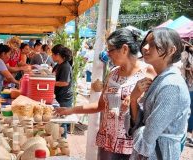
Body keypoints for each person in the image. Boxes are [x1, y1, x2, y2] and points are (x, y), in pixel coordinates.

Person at [55, 28, 156, 159]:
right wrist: (70, 110)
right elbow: (100, 106)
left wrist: (133, 98)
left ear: (124, 49)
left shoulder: (147, 72)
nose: (108, 54)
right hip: (107, 143)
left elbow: (153, 113)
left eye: (110, 50)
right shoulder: (112, 74)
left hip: (132, 146)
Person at [127, 28, 190, 160]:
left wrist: (139, 131)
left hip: (160, 152)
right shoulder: (161, 79)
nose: (144, 47)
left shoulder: (171, 85)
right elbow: (142, 123)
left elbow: (149, 134)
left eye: (153, 44)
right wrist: (133, 99)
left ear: (171, 50)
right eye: (145, 42)